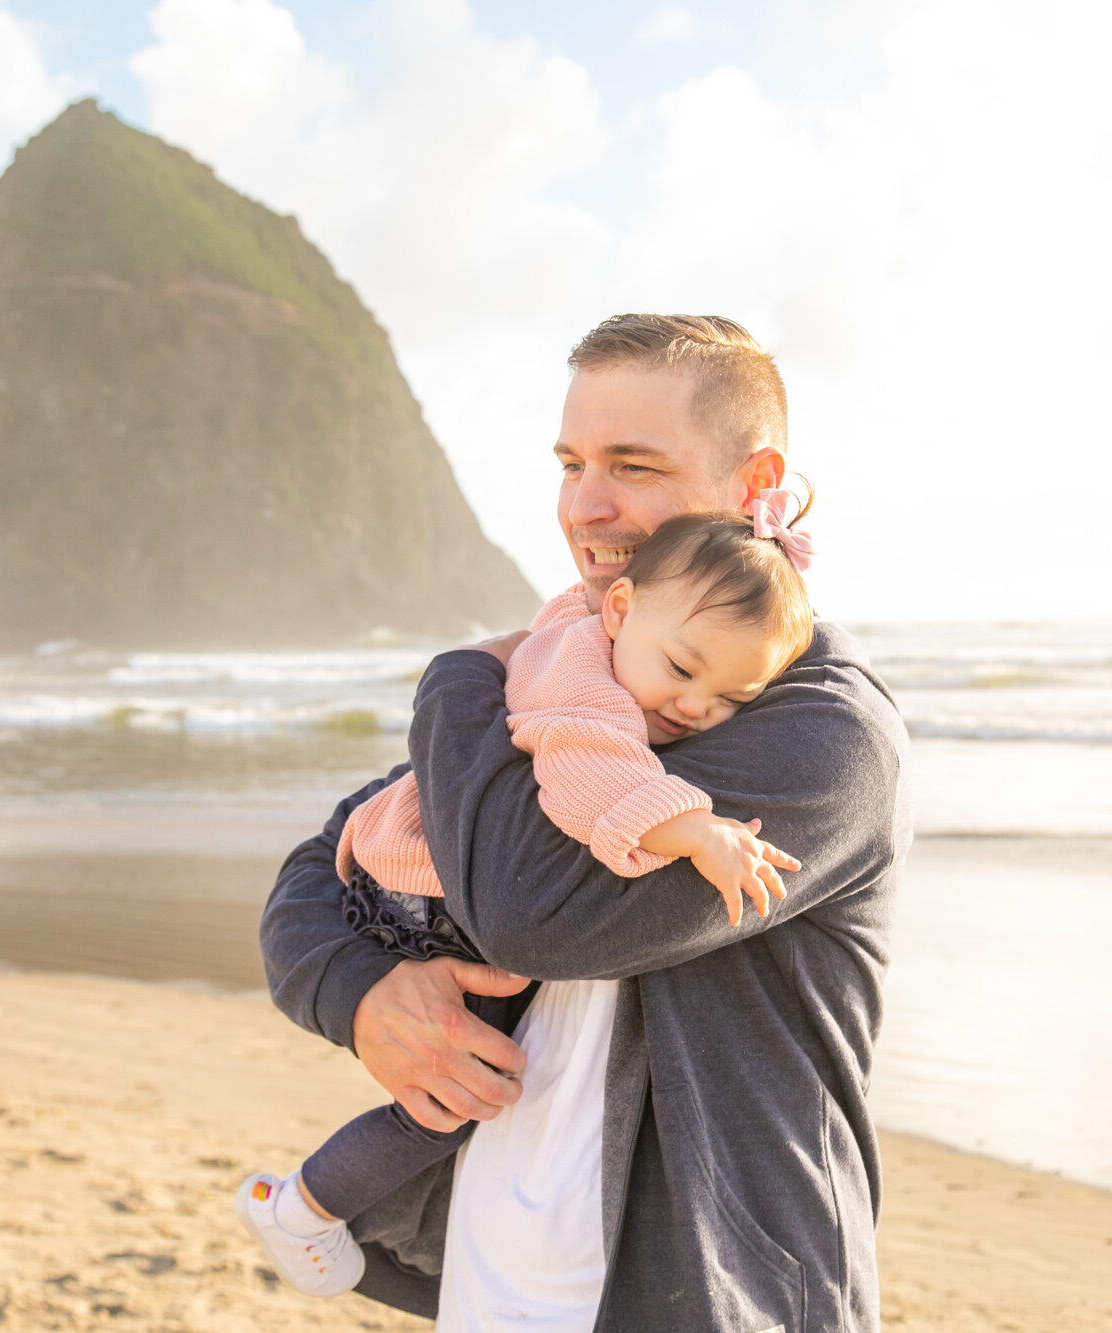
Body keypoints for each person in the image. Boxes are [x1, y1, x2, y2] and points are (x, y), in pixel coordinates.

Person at [261, 314, 911, 1331]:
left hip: (710, 1294)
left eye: (632, 465)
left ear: (755, 482)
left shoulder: (819, 731)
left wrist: (459, 678)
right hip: (494, 1275)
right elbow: (328, 861)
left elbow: (532, 910)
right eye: (570, 463)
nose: (584, 506)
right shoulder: (582, 678)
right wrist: (359, 993)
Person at [237, 502, 816, 1296]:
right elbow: (588, 766)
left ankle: (326, 1220)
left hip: (413, 880)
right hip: (420, 900)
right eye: (682, 672)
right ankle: (306, 1209)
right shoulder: (581, 673)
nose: (693, 710)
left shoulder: (605, 632)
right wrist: (697, 831)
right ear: (619, 610)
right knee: (454, 1096)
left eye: (731, 702)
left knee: (457, 1100)